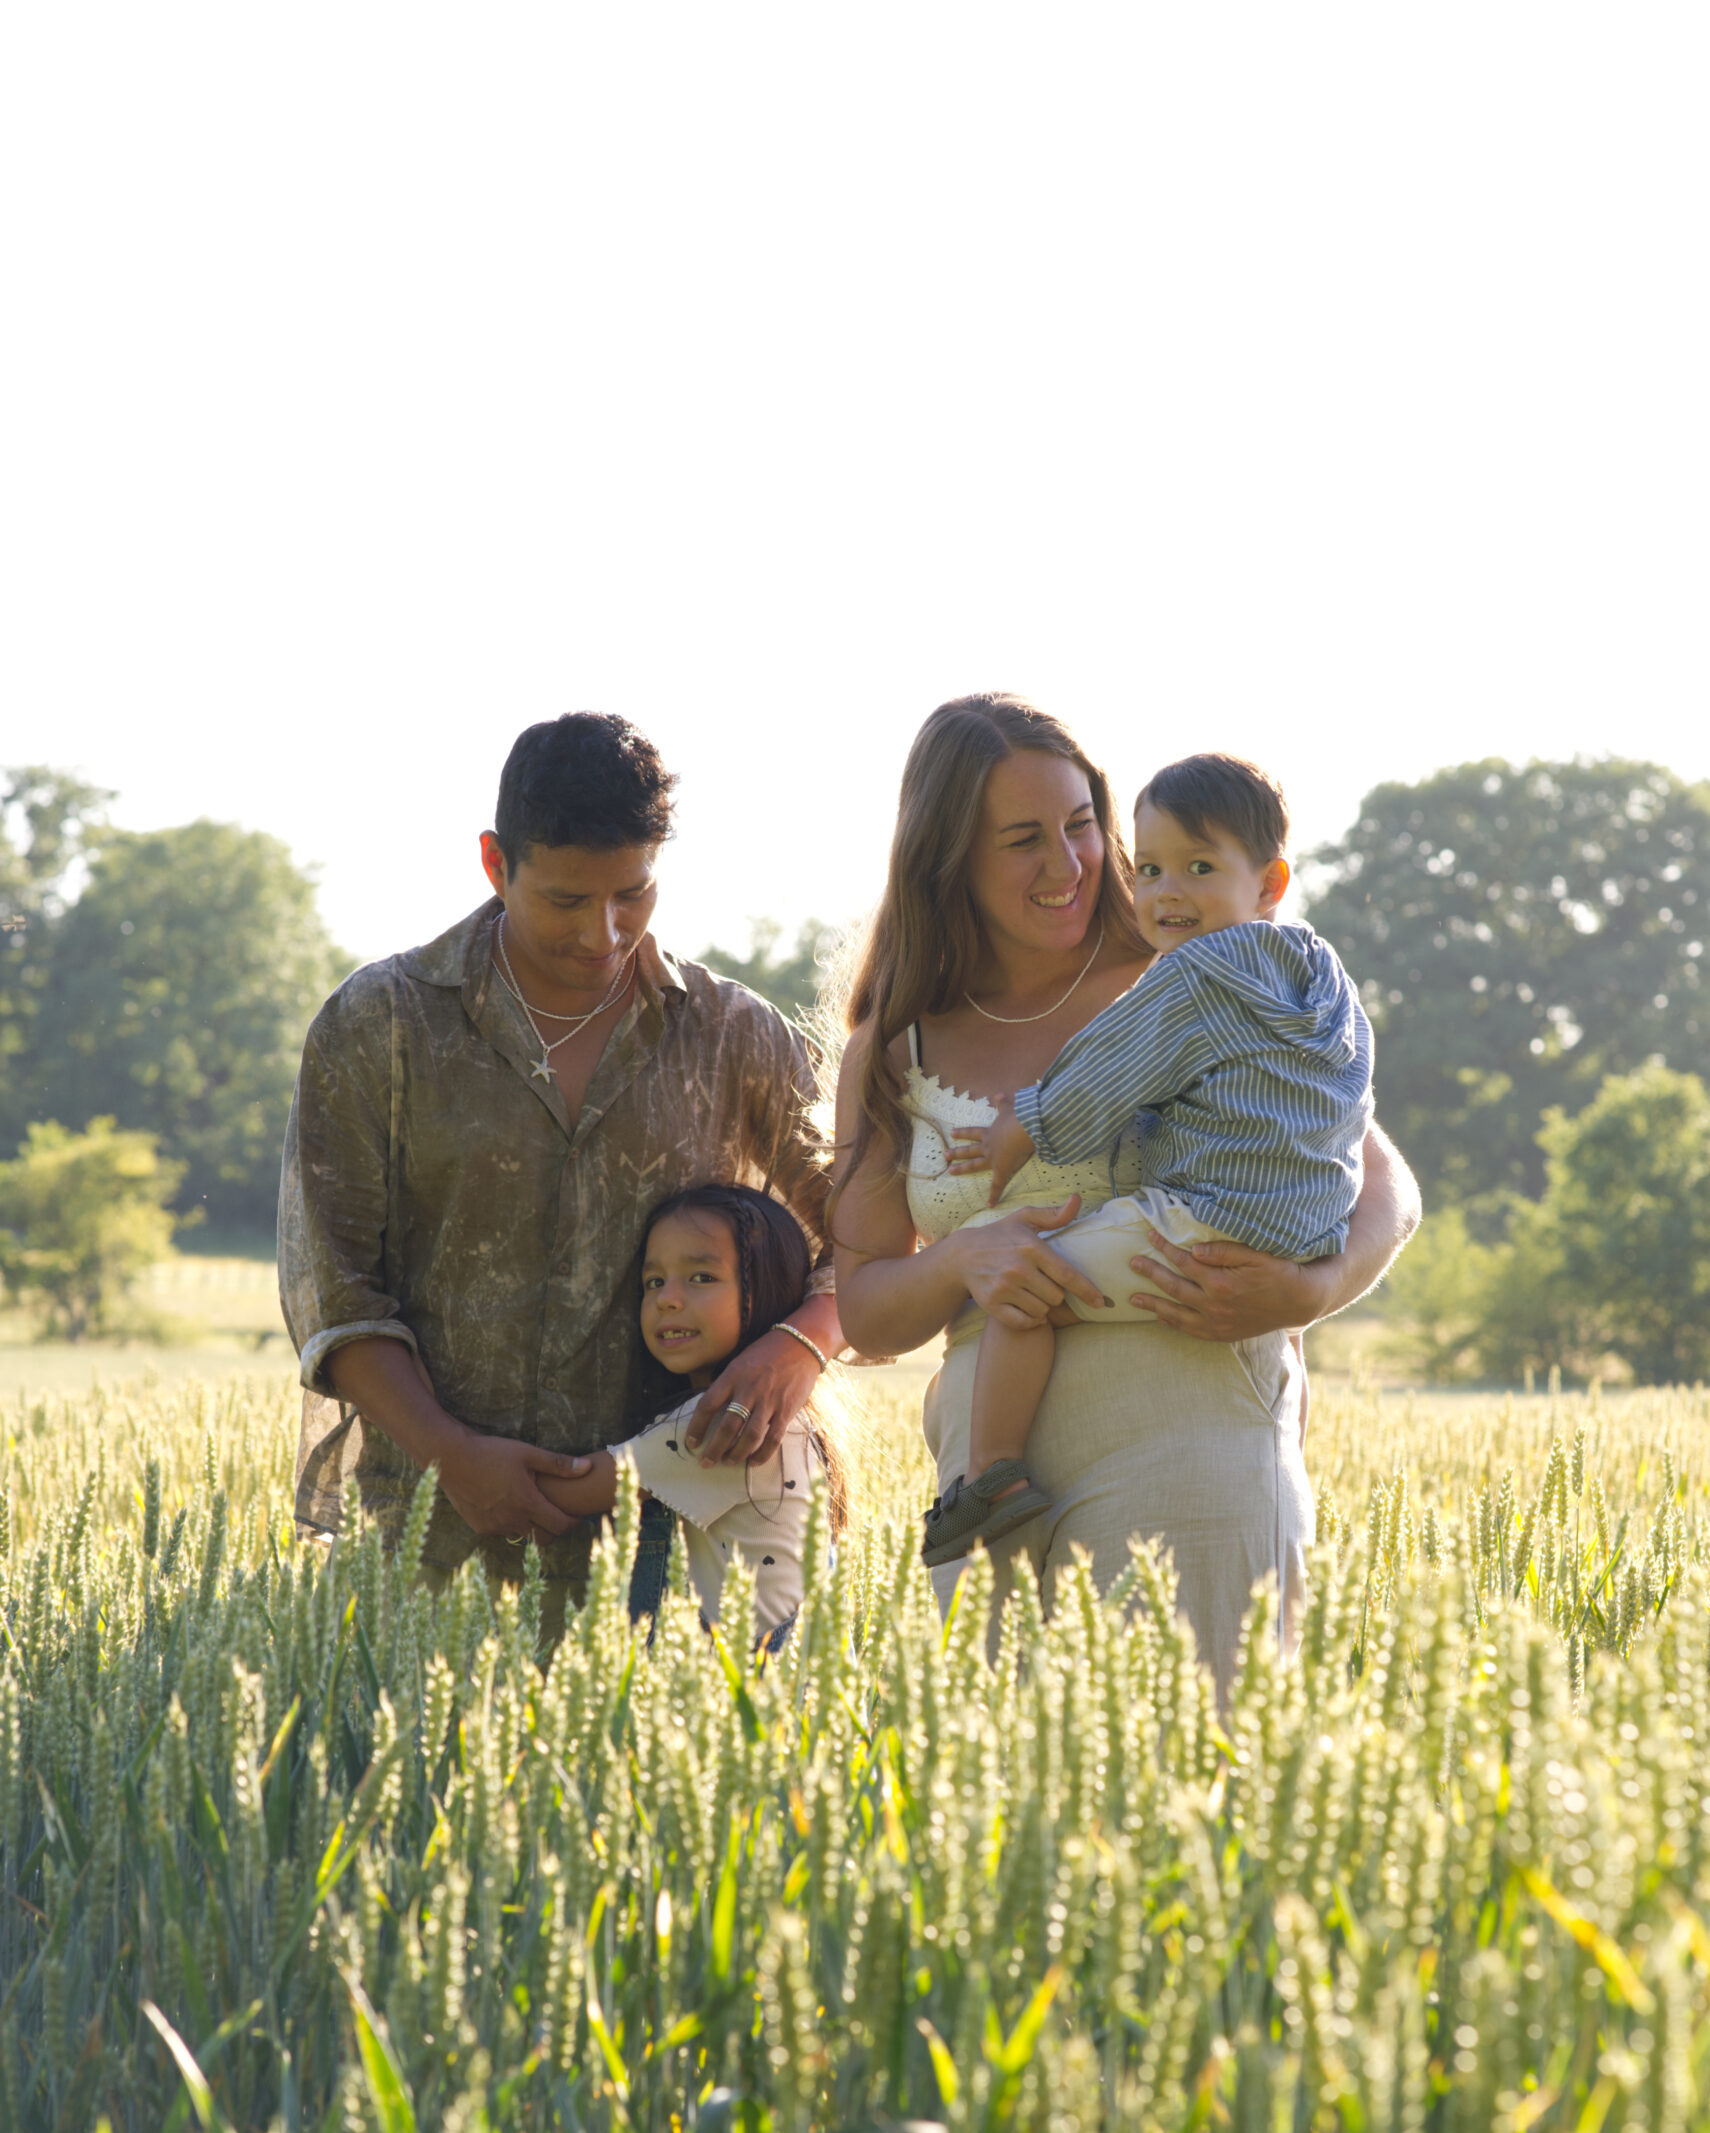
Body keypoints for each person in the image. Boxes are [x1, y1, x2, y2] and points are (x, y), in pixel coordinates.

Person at [829, 694, 1420, 1694]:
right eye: (1023, 840)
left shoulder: (1199, 971)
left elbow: (1382, 1182)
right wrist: (964, 1259)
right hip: (990, 1502)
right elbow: (868, 1312)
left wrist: (1314, 1292)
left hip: (1194, 1442)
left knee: (1192, 1798)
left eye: (1080, 828)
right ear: (949, 860)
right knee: (1000, 1829)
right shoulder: (893, 1051)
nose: (1067, 866)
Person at [279, 713, 842, 1632]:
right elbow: (334, 1294)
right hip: (426, 1541)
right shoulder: (379, 1025)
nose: (604, 934)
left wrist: (803, 1343)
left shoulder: (733, 1034)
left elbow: (865, 1237)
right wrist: (452, 1454)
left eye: (634, 894)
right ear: (496, 865)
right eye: (567, 900)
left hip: (674, 1558)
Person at [921, 752, 1373, 1566]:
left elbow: (1102, 1068)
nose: (1167, 892)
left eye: (1200, 868)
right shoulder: (1321, 975)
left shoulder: (1195, 974)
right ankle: (1281, 1443)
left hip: (1203, 1217)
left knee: (1030, 1282)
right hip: (1298, 1226)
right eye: (1153, 868)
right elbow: (1354, 1095)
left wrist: (1015, 1130)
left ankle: (989, 1473)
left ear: (1271, 882)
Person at [534, 1183, 846, 1641]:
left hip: (742, 1693)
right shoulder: (797, 1421)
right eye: (653, 1282)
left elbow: (561, 1490)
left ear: (768, 1289)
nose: (667, 1299)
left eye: (701, 1278)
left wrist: (455, 1453)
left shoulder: (717, 1424)